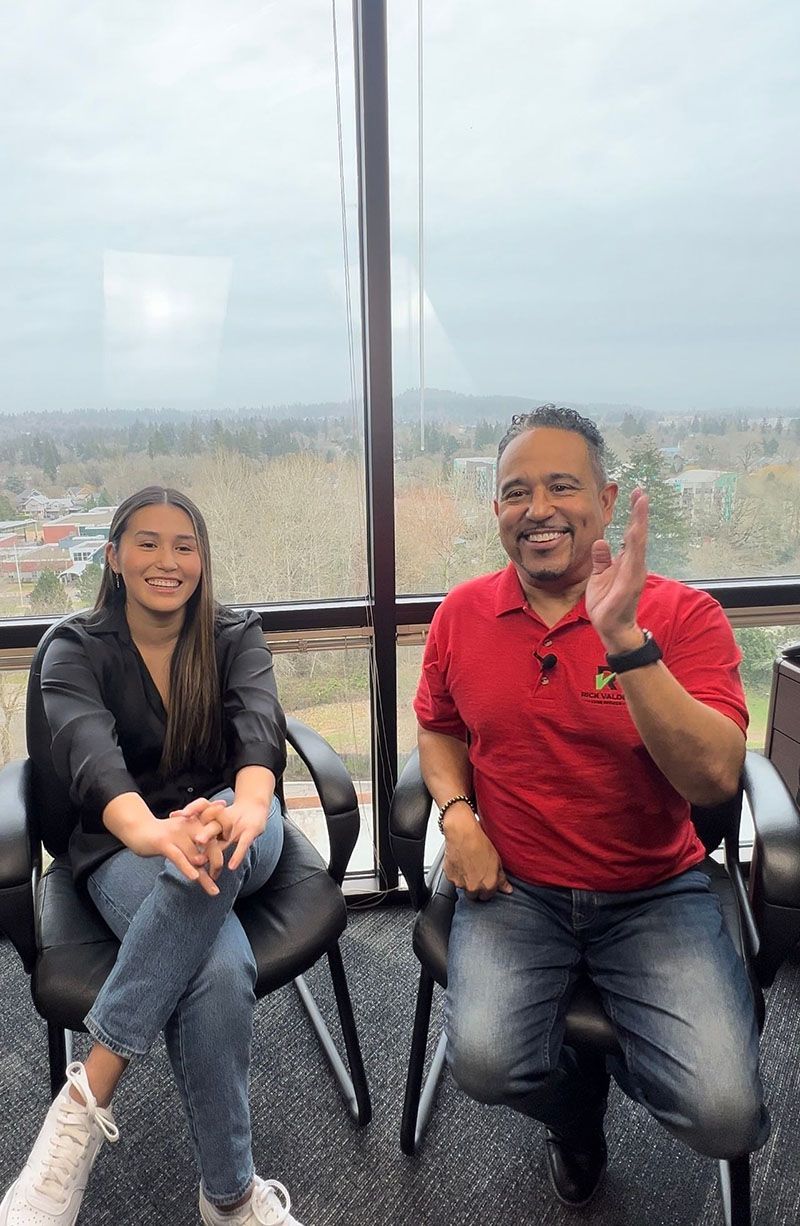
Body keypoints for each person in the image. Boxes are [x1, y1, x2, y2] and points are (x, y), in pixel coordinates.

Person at [413, 405, 769, 1208]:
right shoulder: (462, 614)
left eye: (562, 486)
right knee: (486, 1065)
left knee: (725, 1116)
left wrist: (625, 642)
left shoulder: (683, 617)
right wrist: (458, 815)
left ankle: (613, 1062)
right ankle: (577, 1118)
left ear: (606, 502)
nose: (537, 508)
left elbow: (716, 779)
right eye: (516, 492)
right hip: (516, 887)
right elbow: (437, 727)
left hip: (652, 889)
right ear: (496, 511)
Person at [1, 486, 304, 1226]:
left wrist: (245, 808)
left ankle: (84, 1099)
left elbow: (259, 731)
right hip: (125, 847)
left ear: (202, 560)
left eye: (184, 545)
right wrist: (153, 832)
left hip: (241, 825)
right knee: (218, 966)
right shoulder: (75, 648)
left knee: (217, 847)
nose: (167, 561)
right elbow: (89, 756)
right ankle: (230, 1199)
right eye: (147, 543)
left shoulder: (236, 634)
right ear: (113, 556)